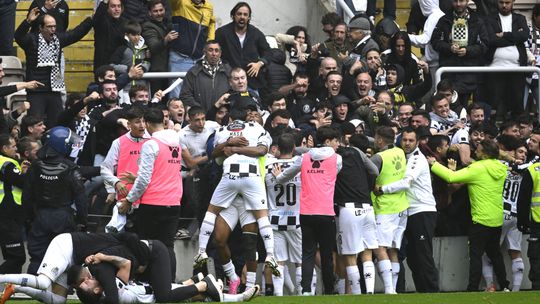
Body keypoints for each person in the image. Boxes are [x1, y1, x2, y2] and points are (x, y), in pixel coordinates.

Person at [194, 109, 279, 276]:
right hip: (231, 197)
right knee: (219, 240)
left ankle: (250, 284)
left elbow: (261, 151)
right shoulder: (227, 133)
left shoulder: (261, 136)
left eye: (255, 115)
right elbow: (215, 155)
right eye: (250, 115)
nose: (253, 118)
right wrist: (228, 143)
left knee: (250, 244)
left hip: (249, 195)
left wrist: (234, 149)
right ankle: (232, 277)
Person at [429, 139, 510, 291]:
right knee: (495, 254)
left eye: (478, 149)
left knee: (476, 255)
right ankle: (505, 285)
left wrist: (434, 164)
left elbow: (451, 178)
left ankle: (472, 288)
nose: (475, 151)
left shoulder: (478, 168)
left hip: (480, 218)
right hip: (496, 218)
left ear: (485, 153)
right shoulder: (501, 167)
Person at [272, 126, 342, 295]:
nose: (338, 144)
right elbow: (335, 172)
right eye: (335, 141)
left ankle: (305, 290)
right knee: (326, 254)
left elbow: (283, 178)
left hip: (306, 212)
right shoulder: (337, 158)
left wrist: (277, 176)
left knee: (308, 253)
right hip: (326, 212)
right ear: (327, 141)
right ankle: (329, 290)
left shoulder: (303, 158)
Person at [118, 108, 183, 278]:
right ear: (163, 121)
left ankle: (148, 282)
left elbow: (145, 180)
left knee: (147, 244)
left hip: (153, 202)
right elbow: (164, 171)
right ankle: (170, 282)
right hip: (174, 200)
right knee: (168, 245)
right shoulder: (176, 140)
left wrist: (129, 200)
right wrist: (137, 178)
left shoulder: (151, 144)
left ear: (146, 124)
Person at [376, 127, 439, 292]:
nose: (407, 143)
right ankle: (419, 291)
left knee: (423, 253)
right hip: (408, 211)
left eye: (411, 140)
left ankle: (432, 291)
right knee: (411, 256)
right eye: (405, 140)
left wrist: (382, 189)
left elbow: (406, 182)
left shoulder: (417, 159)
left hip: (422, 210)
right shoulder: (402, 156)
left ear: (417, 142)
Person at [14, 7, 93, 127]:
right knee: (35, 124)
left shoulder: (58, 40)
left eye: (54, 26)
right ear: (41, 28)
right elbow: (18, 36)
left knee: (57, 124)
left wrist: (90, 20)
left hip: (54, 90)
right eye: (49, 27)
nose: (53, 29)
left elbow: (75, 34)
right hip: (36, 92)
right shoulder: (31, 40)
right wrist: (28, 21)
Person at [24, 127, 87, 275]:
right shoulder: (71, 168)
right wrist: (82, 220)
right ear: (62, 145)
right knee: (63, 256)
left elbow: (27, 196)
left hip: (40, 216)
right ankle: (62, 291)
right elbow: (81, 198)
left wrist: (29, 219)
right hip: (63, 217)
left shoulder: (35, 166)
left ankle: (31, 288)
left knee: (37, 257)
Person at [334, 136, 379, 295]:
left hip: (348, 209)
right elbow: (374, 170)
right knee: (367, 253)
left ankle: (357, 294)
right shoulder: (358, 155)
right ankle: (370, 293)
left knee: (350, 254)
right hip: (367, 208)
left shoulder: (334, 159)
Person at [370, 126, 408, 294]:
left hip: (384, 206)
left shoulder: (378, 158)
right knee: (393, 248)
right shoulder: (400, 152)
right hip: (401, 205)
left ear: (379, 140)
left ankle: (389, 289)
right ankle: (392, 289)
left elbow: (367, 176)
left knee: (380, 247)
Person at [431, 0, 489, 106]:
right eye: (455, 1)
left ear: (467, 1)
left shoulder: (477, 20)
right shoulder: (444, 20)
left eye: (461, 1)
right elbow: (435, 41)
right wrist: (449, 48)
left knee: (465, 107)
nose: (458, 4)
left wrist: (468, 50)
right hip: (449, 72)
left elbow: (485, 45)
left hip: (469, 72)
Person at [265, 133, 303, 296]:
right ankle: (304, 294)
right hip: (296, 219)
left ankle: (278, 296)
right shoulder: (301, 166)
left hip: (274, 220)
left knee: (278, 261)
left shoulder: (268, 166)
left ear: (277, 149)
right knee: (300, 262)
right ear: (294, 148)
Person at [484, 0, 529, 121]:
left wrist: (504, 34)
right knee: (493, 104)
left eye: (507, 2)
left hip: (517, 68)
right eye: (501, 2)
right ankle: (491, 132)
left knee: (517, 105)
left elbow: (525, 35)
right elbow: (491, 39)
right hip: (494, 67)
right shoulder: (489, 19)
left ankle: (515, 133)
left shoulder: (520, 18)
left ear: (513, 2)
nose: (504, 5)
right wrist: (515, 37)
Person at [215, 2, 270, 92]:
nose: (242, 17)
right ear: (233, 16)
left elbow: (268, 52)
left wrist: (260, 63)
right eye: (239, 14)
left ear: (249, 17)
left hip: (251, 83)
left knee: (252, 105)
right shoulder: (222, 33)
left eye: (245, 14)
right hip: (229, 83)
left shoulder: (256, 33)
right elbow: (215, 53)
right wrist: (225, 68)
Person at [169, 0, 215, 96]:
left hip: (198, 58)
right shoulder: (181, 3)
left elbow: (211, 23)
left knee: (196, 94)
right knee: (177, 94)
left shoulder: (208, 7)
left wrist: (209, 43)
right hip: (180, 57)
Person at [0, 135, 30, 275]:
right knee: (17, 257)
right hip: (7, 214)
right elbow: (22, 182)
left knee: (13, 257)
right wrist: (26, 173)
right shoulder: (7, 163)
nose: (16, 149)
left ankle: (11, 289)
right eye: (13, 146)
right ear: (4, 148)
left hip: (7, 215)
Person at [180, 40, 232, 112]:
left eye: (216, 51)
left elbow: (235, 92)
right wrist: (199, 109)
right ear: (204, 52)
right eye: (210, 50)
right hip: (201, 118)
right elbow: (185, 95)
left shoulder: (229, 71)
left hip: (222, 115)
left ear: (220, 53)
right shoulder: (193, 72)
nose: (213, 54)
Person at [517, 138, 540, 290]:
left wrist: (522, 221)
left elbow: (523, 199)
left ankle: (537, 286)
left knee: (536, 256)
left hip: (536, 221)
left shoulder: (533, 170)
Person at [142, 0, 176, 94]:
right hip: (157, 72)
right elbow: (153, 47)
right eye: (155, 11)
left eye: (161, 10)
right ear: (150, 13)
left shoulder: (167, 24)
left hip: (168, 70)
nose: (159, 13)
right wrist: (166, 39)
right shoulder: (147, 27)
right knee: (156, 101)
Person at [93, 0, 127, 70]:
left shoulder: (125, 23)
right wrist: (105, 2)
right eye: (113, 6)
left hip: (119, 66)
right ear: (107, 8)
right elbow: (96, 18)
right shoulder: (102, 22)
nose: (117, 9)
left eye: (119, 6)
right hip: (102, 67)